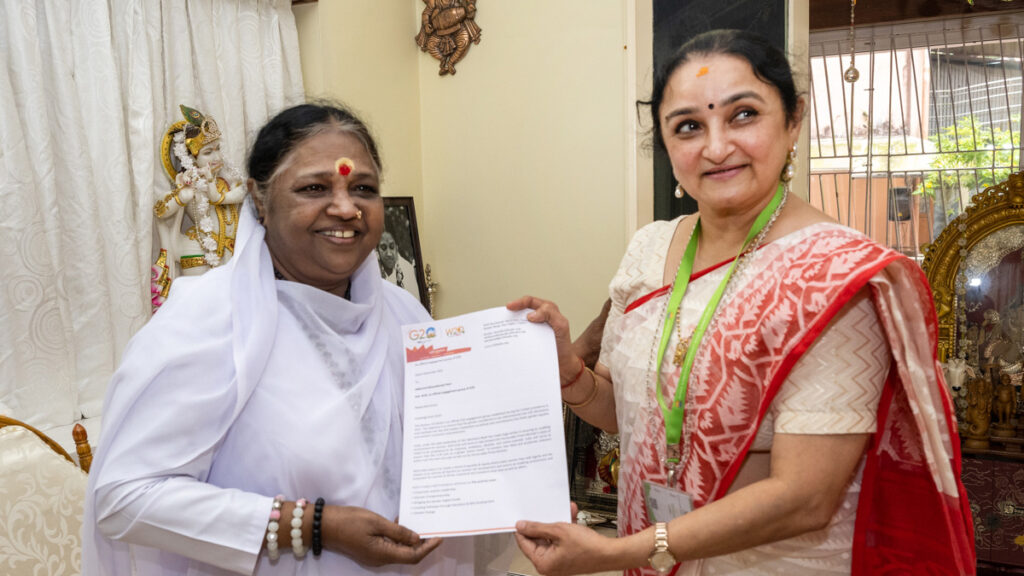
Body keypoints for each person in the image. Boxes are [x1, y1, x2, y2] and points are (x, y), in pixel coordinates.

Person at [510, 30, 974, 575]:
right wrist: (572, 375)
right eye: (688, 126)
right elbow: (632, 416)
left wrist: (617, 552)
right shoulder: (650, 249)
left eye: (743, 115)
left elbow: (805, 496)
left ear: (794, 120)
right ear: (663, 142)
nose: (716, 146)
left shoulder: (834, 275)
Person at [83, 102, 496, 575]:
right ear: (259, 199)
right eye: (314, 188)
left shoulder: (404, 315)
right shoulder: (208, 321)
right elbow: (123, 497)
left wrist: (515, 493)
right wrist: (314, 526)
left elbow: (446, 454)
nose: (346, 207)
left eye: (364, 188)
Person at [152, 105, 248, 311]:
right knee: (198, 309)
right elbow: (161, 211)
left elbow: (226, 198)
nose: (215, 157)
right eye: (207, 152)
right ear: (191, 159)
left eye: (217, 149)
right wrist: (182, 197)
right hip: (198, 251)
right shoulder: (189, 183)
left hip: (228, 252)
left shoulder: (225, 182)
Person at [378, 230, 421, 301]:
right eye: (383, 248)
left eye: (392, 247)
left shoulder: (407, 269)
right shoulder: (373, 271)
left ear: (396, 248)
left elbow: (415, 302)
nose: (389, 253)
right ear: (377, 250)